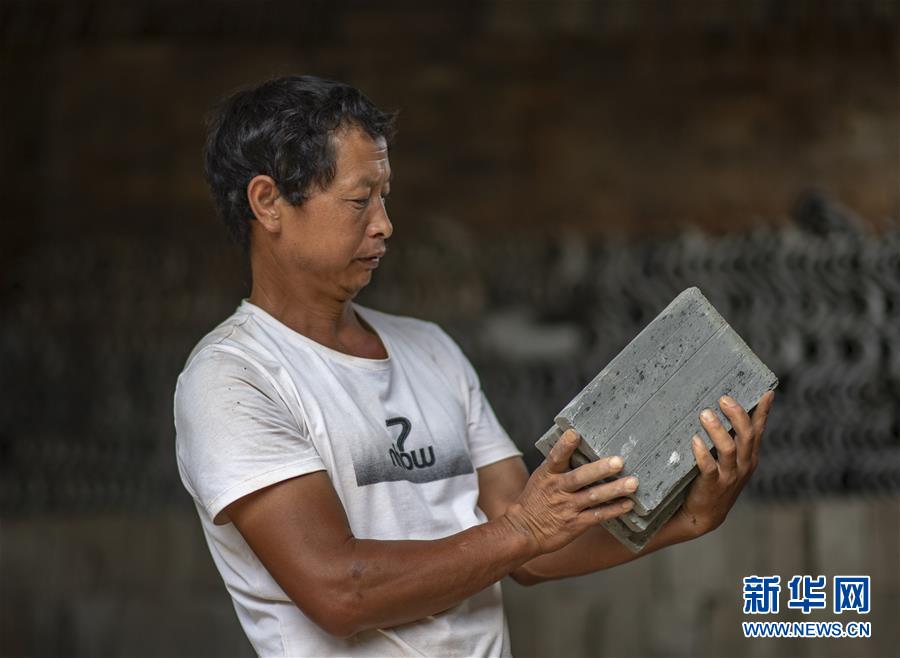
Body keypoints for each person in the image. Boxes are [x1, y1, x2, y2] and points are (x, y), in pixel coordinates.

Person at [174, 75, 775, 657]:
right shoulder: (234, 379)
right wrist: (523, 530)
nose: (384, 224)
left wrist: (686, 520)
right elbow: (340, 590)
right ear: (268, 202)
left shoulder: (431, 350)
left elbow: (531, 549)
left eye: (384, 197)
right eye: (359, 200)